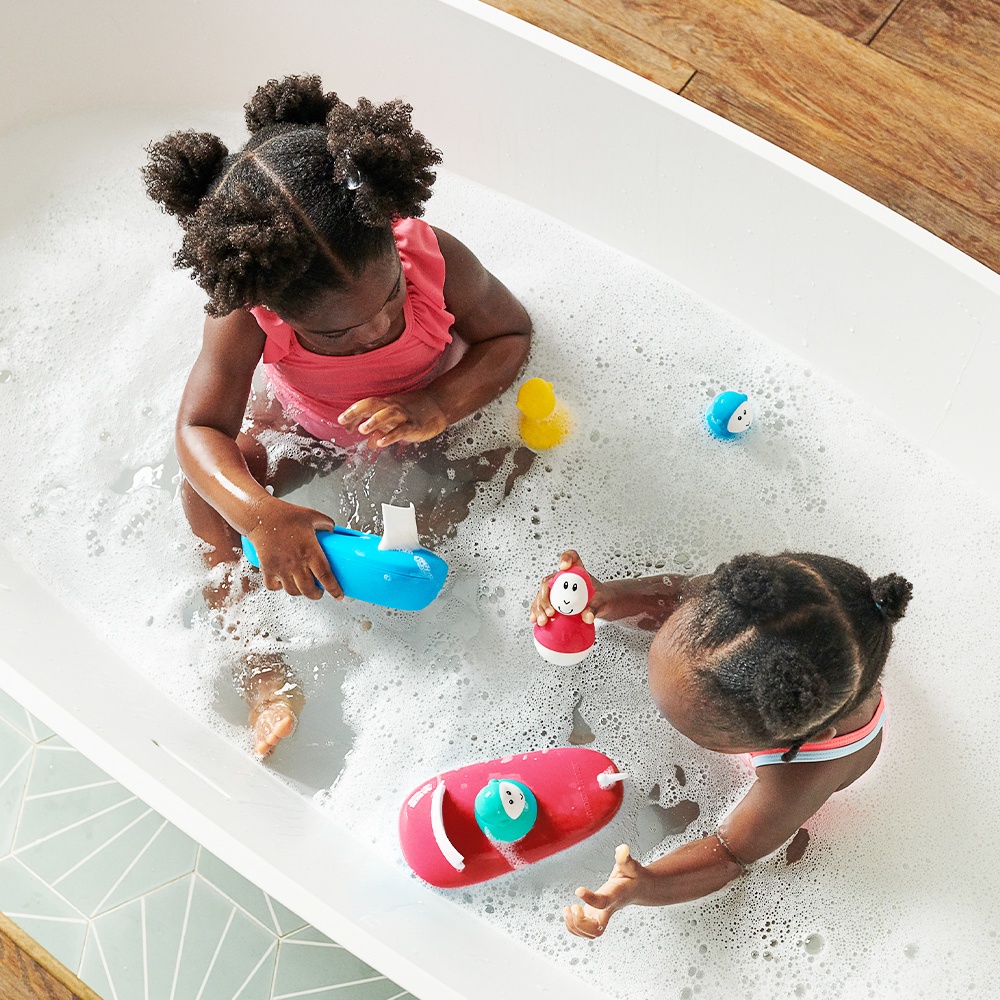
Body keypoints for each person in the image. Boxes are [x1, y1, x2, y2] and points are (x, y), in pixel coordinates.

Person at [144, 75, 532, 755]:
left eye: (391, 297)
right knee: (208, 490)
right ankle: (257, 657)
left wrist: (437, 404)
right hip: (307, 427)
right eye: (339, 333)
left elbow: (509, 335)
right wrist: (260, 515)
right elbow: (198, 428)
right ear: (270, 306)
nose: (378, 328)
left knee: (518, 458)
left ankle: (432, 544)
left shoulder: (429, 256)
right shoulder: (245, 315)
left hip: (431, 414)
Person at [530, 549, 912, 938]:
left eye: (697, 732)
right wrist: (607, 598)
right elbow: (679, 594)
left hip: (823, 792)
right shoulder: (743, 609)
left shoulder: (802, 777)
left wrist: (645, 885)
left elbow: (730, 853)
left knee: (794, 848)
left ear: (790, 739)